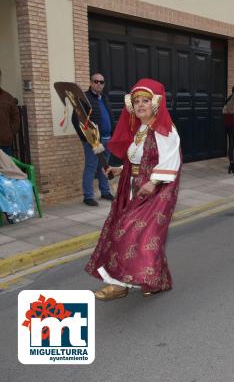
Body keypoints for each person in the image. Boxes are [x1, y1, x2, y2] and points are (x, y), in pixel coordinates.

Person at [85, 78, 182, 300]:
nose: (140, 105)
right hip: (133, 187)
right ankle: (156, 281)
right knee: (149, 238)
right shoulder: (140, 129)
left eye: (145, 100)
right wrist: (119, 170)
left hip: (155, 192)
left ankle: (118, 286)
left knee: (128, 231)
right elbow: (136, 159)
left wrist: (153, 182)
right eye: (136, 101)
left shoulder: (165, 130)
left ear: (155, 103)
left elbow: (171, 160)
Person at [71, 73, 115, 206]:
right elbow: (75, 120)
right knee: (91, 167)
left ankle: (105, 191)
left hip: (107, 139)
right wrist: (86, 138)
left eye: (101, 82)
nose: (99, 84)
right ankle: (88, 196)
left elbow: (110, 116)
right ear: (91, 83)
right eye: (96, 81)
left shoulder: (104, 98)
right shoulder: (84, 98)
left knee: (105, 167)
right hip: (93, 141)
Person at [0, 149, 34, 224]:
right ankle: (11, 213)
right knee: (4, 187)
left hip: (6, 174)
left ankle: (16, 212)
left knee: (22, 185)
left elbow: (6, 163)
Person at [0, 69, 20, 156]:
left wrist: (9, 132)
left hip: (5, 143)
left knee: (6, 169)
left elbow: (16, 117)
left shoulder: (7, 98)